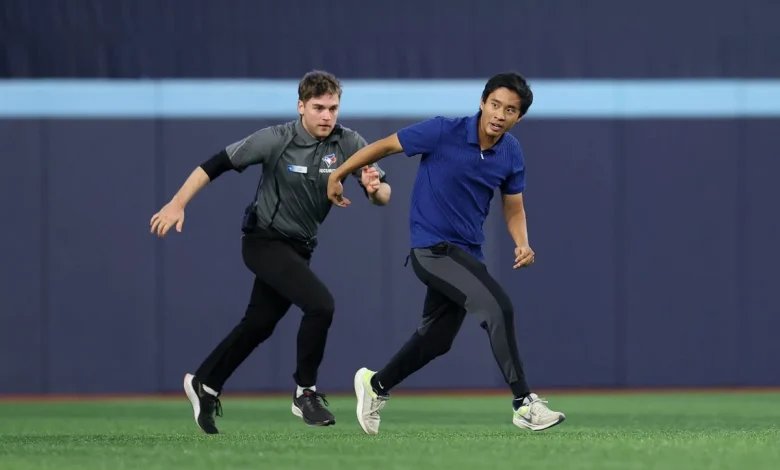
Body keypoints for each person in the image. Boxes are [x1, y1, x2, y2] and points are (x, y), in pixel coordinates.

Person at [149, 70, 392, 434]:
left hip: (299, 248)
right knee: (320, 304)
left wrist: (374, 189)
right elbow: (216, 164)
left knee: (259, 324)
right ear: (301, 107)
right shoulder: (276, 139)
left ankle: (205, 383)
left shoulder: (348, 142)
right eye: (318, 107)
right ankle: (304, 393)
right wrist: (177, 202)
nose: (327, 116)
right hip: (264, 241)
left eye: (333, 108)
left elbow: (383, 196)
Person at [326, 72, 565, 435]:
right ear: (483, 102)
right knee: (498, 306)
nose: (500, 114)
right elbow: (385, 146)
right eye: (495, 104)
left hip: (467, 254)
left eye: (510, 110)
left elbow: (513, 206)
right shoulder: (443, 131)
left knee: (436, 340)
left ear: (519, 117)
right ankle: (523, 403)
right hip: (432, 250)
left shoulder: (511, 152)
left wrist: (522, 241)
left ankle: (374, 386)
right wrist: (341, 172)